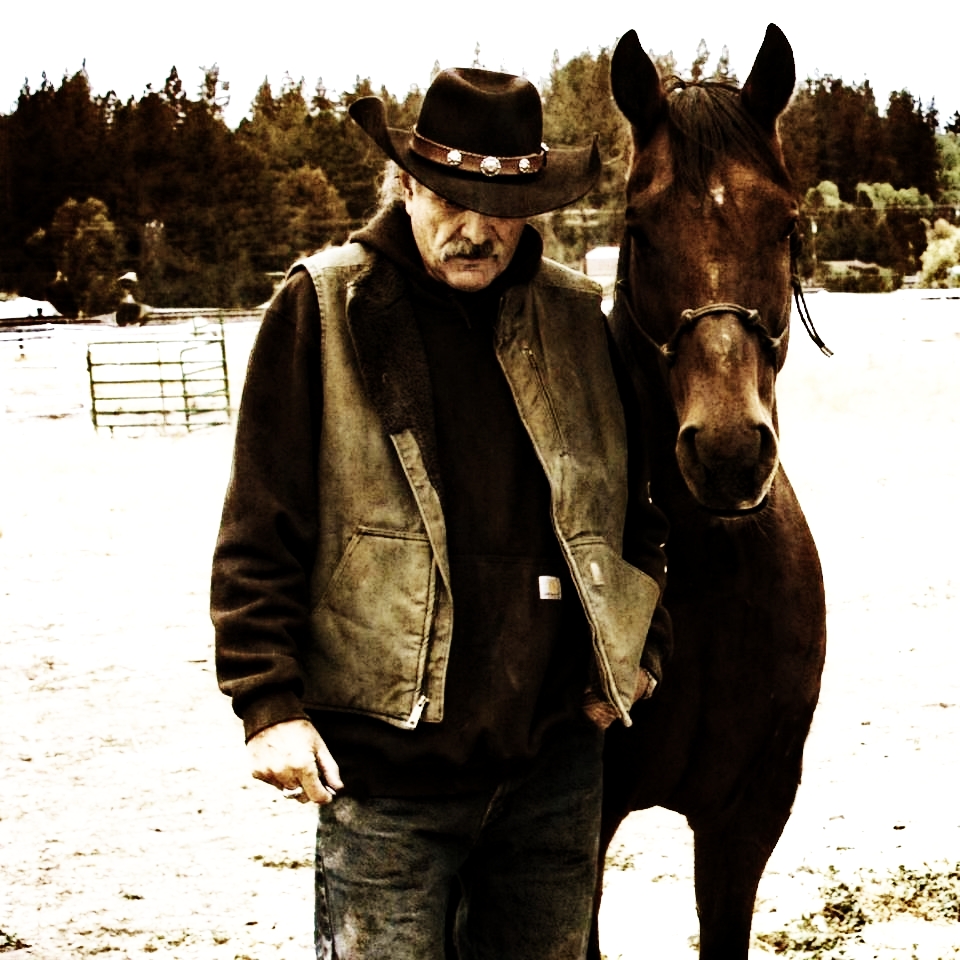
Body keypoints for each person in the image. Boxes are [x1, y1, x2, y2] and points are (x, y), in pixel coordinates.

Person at [211, 66, 671, 960]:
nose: (476, 230)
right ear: (405, 186)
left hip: (551, 773)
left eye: (503, 209)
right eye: (453, 200)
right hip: (385, 777)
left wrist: (638, 652)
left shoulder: (578, 320)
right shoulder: (325, 306)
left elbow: (635, 512)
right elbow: (260, 524)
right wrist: (267, 702)